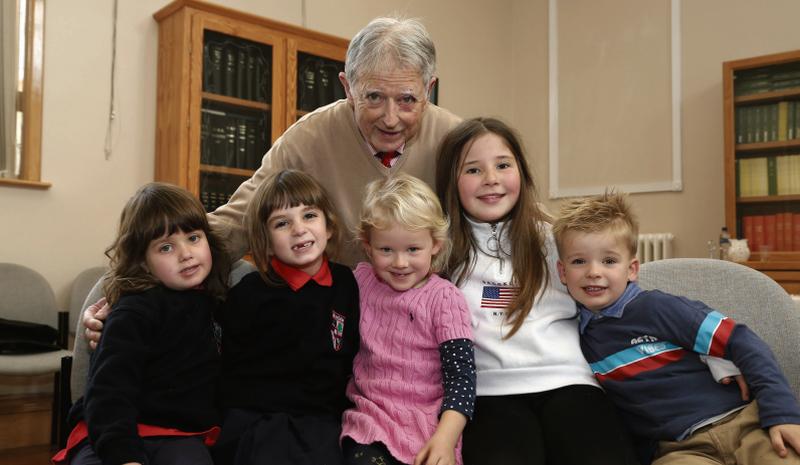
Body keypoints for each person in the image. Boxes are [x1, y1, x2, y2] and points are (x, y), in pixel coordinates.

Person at [83, 14, 461, 347]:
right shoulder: (309, 138)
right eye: (374, 97)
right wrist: (123, 289)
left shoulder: (455, 140)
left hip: (430, 324)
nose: (391, 118)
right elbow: (238, 221)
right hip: (340, 323)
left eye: (408, 100)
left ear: (429, 90)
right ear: (348, 88)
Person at [434, 117, 639, 465]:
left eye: (503, 165)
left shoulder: (558, 240)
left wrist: (711, 354)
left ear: (522, 172)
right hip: (489, 393)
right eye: (473, 170)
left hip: (570, 384)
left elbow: (632, 305)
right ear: (451, 182)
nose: (491, 179)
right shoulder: (439, 251)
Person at [551, 190, 800, 465]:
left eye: (609, 261)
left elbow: (742, 342)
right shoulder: (574, 336)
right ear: (563, 272)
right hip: (681, 449)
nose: (593, 272)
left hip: (745, 422)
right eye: (579, 261)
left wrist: (783, 414)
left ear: (632, 269)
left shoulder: (658, 308)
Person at [52, 183, 230, 465]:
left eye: (194, 238)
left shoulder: (217, 304)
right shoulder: (134, 311)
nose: (185, 254)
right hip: (113, 428)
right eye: (166, 247)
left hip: (179, 434)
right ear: (144, 262)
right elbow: (108, 391)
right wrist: (123, 455)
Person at [213, 169, 360, 465]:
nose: (299, 229)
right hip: (258, 417)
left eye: (309, 216)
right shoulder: (248, 293)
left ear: (329, 227)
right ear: (265, 241)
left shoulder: (347, 283)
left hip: (320, 418)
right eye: (282, 223)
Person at [341, 174, 476, 465]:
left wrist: (445, 439)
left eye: (413, 249)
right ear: (367, 245)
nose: (400, 263)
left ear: (435, 245)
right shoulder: (360, 282)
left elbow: (462, 380)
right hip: (369, 422)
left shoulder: (445, 299)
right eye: (386, 250)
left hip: (432, 429)